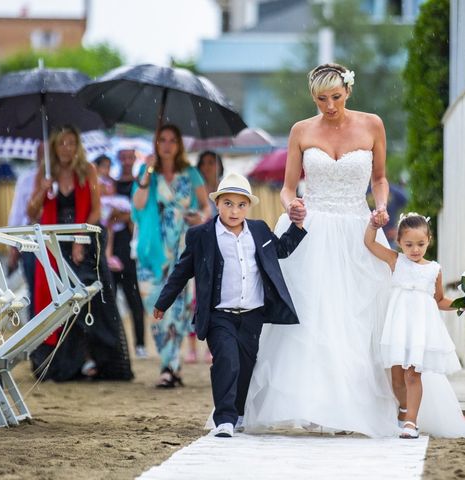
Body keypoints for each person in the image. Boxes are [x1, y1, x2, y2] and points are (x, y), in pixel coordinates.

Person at [242, 63, 399, 437]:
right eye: (321, 99)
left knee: (355, 317)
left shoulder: (372, 124)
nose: (329, 106)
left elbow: (379, 178)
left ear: (348, 91)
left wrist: (380, 206)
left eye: (336, 97)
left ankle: (353, 405)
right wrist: (290, 205)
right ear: (313, 98)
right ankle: (311, 403)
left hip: (357, 228)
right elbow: (287, 187)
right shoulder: (301, 130)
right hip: (309, 228)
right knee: (309, 317)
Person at [153, 173, 307, 437]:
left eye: (240, 205)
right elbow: (182, 271)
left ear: (248, 206)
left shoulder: (259, 230)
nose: (234, 211)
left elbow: (281, 251)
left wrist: (298, 226)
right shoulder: (201, 235)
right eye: (228, 204)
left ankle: (238, 413)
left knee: (246, 365)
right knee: (227, 360)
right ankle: (223, 418)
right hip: (218, 314)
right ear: (217, 204)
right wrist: (163, 302)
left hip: (252, 314)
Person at [27, 125, 133, 382]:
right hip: (53, 244)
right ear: (54, 147)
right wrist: (43, 189)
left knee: (93, 301)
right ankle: (65, 364)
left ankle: (98, 360)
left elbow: (96, 210)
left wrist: (80, 239)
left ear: (77, 146)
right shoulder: (45, 172)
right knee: (58, 302)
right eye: (62, 143)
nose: (67, 148)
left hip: (83, 240)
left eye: (71, 143)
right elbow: (32, 213)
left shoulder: (88, 171)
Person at [364, 212, 465, 439]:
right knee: (397, 378)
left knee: (413, 375)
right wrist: (372, 224)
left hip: (420, 328)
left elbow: (439, 300)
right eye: (409, 244)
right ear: (399, 242)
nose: (415, 249)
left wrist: (462, 304)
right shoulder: (395, 260)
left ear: (429, 240)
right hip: (399, 326)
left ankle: (411, 421)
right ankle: (402, 409)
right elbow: (369, 243)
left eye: (420, 244)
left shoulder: (434, 270)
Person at [131, 124, 211, 387]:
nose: (167, 145)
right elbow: (138, 205)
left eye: (172, 140)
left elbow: (206, 207)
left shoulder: (190, 174)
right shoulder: (148, 173)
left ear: (178, 145)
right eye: (162, 140)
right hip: (151, 250)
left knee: (176, 309)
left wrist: (199, 217)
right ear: (156, 144)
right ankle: (171, 365)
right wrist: (147, 173)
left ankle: (170, 367)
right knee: (154, 306)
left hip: (181, 249)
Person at [183, 150, 224, 364]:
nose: (208, 167)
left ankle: (211, 344)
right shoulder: (193, 191)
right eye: (205, 162)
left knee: (215, 299)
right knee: (195, 299)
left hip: (220, 251)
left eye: (212, 162)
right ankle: (191, 346)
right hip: (200, 250)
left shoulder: (225, 192)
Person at [113, 148, 147, 358]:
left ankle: (141, 343)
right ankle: (117, 345)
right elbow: (110, 214)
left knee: (134, 299)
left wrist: (124, 217)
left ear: (134, 159)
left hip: (130, 252)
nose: (126, 161)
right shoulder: (112, 185)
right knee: (111, 300)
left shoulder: (138, 185)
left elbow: (138, 216)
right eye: (123, 157)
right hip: (112, 250)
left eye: (129, 157)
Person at [7, 143, 44, 318]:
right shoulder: (26, 179)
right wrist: (14, 244)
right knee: (34, 288)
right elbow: (17, 212)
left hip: (54, 240)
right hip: (30, 240)